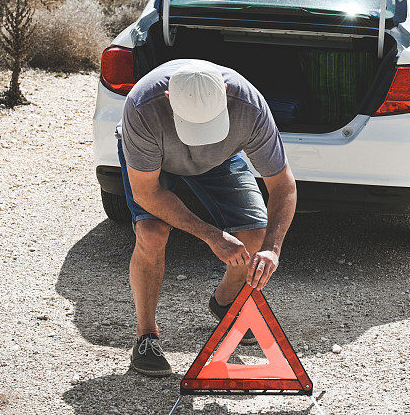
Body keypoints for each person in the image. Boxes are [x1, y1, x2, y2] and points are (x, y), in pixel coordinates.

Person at [115, 59, 297, 376]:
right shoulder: (143, 106)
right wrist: (211, 235)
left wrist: (272, 249)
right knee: (152, 233)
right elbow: (147, 192)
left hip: (220, 161)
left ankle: (226, 303)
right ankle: (147, 336)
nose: (199, 138)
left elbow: (283, 186)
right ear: (169, 98)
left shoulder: (249, 105)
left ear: (225, 93)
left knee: (253, 236)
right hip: (153, 164)